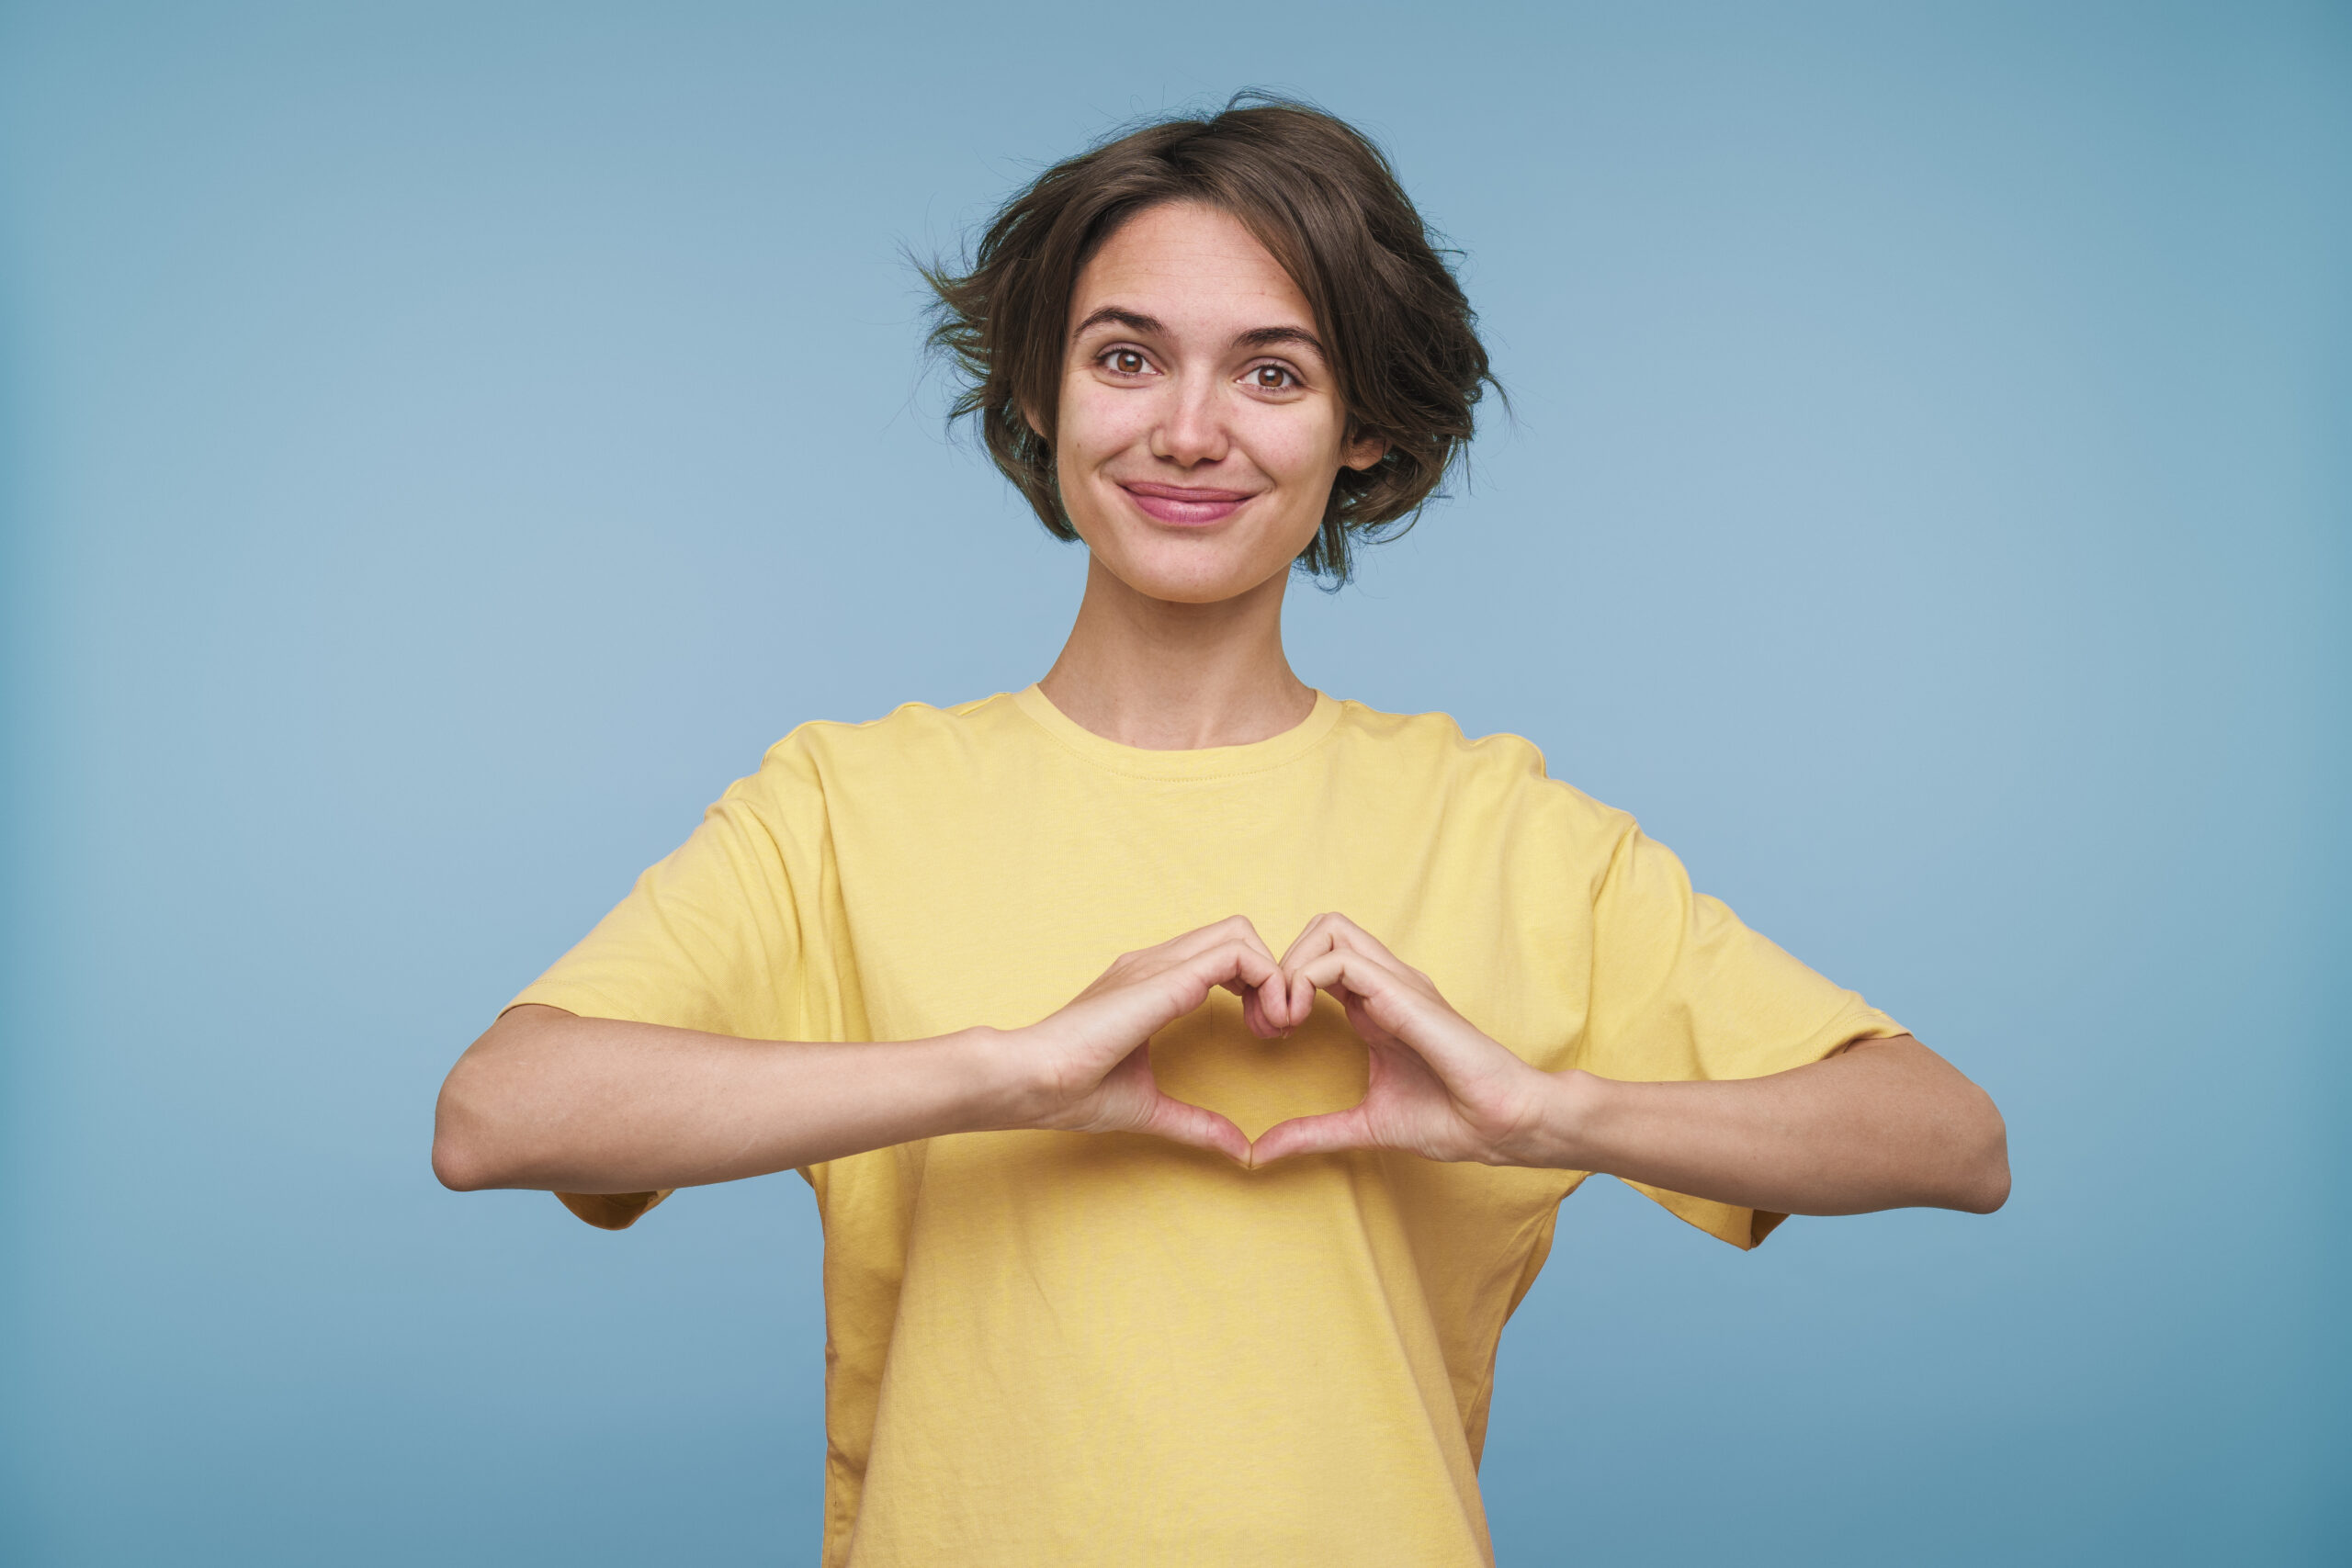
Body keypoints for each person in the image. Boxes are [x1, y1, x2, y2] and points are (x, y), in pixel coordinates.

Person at [432, 94, 2008, 1568]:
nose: (1191, 432)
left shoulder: (1508, 829)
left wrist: (1544, 1113)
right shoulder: (847, 806)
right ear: (1042, 397)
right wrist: (1007, 1071)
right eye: (1127, 359)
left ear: (1364, 433)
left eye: (1273, 371)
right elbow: (499, 1116)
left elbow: (1951, 1138)